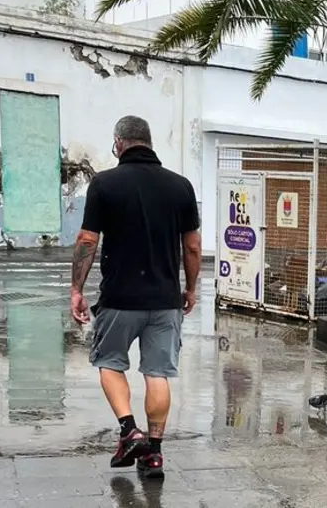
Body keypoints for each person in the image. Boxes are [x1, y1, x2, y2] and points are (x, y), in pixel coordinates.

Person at [70, 115, 202, 479]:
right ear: (149, 141)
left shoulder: (104, 184)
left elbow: (86, 241)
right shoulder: (181, 187)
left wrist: (77, 290)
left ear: (119, 143)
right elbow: (192, 247)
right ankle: (154, 455)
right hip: (164, 300)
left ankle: (130, 431)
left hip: (119, 299)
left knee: (110, 363)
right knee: (157, 373)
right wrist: (189, 289)